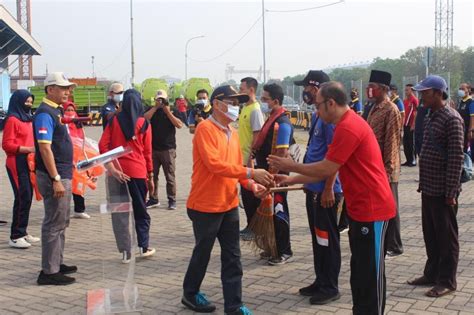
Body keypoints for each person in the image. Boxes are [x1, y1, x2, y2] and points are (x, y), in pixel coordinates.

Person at [268, 81, 395, 315]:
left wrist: (290, 166)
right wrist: (290, 179)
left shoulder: (348, 127)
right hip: (359, 208)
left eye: (318, 106)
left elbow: (327, 168)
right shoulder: (342, 125)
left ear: (331, 103)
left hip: (373, 209)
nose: (316, 111)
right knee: (359, 272)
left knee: (370, 275)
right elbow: (326, 166)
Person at [181, 85, 272, 315]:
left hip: (229, 204)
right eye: (231, 101)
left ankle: (234, 305)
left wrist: (252, 185)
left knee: (233, 256)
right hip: (205, 206)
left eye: (237, 101)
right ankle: (190, 294)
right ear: (218, 103)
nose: (235, 106)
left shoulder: (231, 133)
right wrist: (251, 174)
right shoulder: (205, 129)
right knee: (202, 253)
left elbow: (236, 169)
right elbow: (215, 166)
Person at [407, 76, 464, 298]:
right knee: (430, 234)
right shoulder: (431, 115)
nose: (421, 96)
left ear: (439, 93)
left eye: (425, 92)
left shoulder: (452, 119)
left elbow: (456, 158)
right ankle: (431, 273)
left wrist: (451, 192)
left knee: (446, 238)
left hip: (443, 191)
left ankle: (447, 280)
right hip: (428, 187)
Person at [294, 70, 343, 304]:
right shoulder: (316, 115)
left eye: (307, 88)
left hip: (327, 190)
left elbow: (335, 156)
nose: (305, 92)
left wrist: (327, 188)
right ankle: (320, 279)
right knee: (317, 237)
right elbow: (314, 149)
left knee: (327, 239)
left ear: (316, 88)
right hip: (314, 186)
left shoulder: (330, 118)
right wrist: (307, 180)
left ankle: (330, 286)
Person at [99, 89, 156, 262]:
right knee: (141, 210)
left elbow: (103, 145)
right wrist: (151, 175)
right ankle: (143, 246)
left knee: (120, 212)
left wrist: (111, 168)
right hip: (138, 173)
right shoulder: (144, 124)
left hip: (116, 173)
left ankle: (125, 252)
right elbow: (147, 152)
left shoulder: (113, 120)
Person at [33, 72, 78, 285]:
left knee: (61, 221)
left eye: (68, 88)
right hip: (54, 177)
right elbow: (44, 148)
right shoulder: (44, 114)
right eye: (62, 88)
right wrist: (56, 178)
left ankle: (56, 262)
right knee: (53, 223)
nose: (67, 91)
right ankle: (48, 272)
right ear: (50, 89)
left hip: (62, 173)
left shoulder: (55, 111)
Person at [248, 83, 294, 265]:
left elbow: (282, 153)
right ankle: (271, 248)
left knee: (279, 212)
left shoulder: (282, 123)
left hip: (277, 176)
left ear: (275, 101)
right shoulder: (271, 119)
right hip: (267, 174)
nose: (263, 101)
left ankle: (284, 250)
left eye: (265, 99)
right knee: (268, 213)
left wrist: (272, 176)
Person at [366, 70, 403, 258]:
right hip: (374, 167)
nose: (368, 90)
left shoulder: (391, 110)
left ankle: (395, 245)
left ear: (383, 89)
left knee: (391, 206)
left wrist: (387, 170)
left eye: (372, 87)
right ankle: (383, 240)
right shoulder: (374, 107)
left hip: (386, 168)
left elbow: (392, 142)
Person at [2, 89, 40, 248]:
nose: (29, 104)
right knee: (22, 196)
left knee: (27, 196)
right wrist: (28, 149)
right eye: (26, 102)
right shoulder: (12, 120)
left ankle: (23, 231)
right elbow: (6, 145)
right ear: (18, 102)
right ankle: (15, 235)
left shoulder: (29, 119)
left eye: (31, 102)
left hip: (28, 162)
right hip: (16, 161)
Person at [144, 90, 183, 210]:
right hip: (153, 149)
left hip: (168, 149)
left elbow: (179, 125)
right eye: (158, 99)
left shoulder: (173, 111)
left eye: (162, 100)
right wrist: (155, 108)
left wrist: (167, 111)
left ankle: (172, 199)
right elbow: (144, 119)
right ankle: (153, 199)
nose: (160, 102)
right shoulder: (151, 110)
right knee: (152, 176)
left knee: (170, 176)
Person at [238, 77, 264, 241]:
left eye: (242, 89)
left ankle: (255, 228)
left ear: (251, 90)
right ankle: (250, 225)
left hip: (249, 160)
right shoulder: (245, 108)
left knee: (250, 196)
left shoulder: (255, 110)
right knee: (245, 195)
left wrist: (250, 160)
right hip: (241, 158)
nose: (240, 92)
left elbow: (257, 137)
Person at [63, 101, 91, 219]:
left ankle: (79, 209)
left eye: (72, 110)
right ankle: (63, 211)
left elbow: (82, 141)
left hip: (78, 158)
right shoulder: (62, 125)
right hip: (66, 158)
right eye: (67, 110)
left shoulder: (78, 124)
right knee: (66, 185)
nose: (70, 113)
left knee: (80, 183)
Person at [402, 84, 419, 166]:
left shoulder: (414, 100)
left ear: (412, 90)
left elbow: (416, 113)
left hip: (411, 125)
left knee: (411, 143)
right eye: (405, 90)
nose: (406, 92)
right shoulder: (405, 101)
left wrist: (413, 124)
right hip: (405, 124)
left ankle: (413, 160)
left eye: (407, 90)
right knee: (406, 143)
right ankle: (408, 160)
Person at [456, 83, 474, 160]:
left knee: (465, 151)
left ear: (468, 90)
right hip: (459, 130)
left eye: (463, 89)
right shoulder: (460, 102)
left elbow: (472, 117)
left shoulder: (471, 102)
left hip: (467, 130)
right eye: (460, 89)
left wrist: (470, 131)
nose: (461, 91)